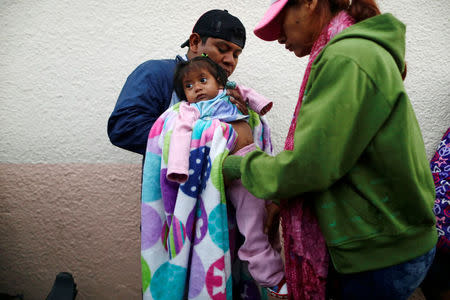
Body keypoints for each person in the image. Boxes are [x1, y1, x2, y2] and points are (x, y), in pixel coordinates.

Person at [222, 0, 438, 299]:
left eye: (280, 21)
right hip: (389, 242)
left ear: (310, 3)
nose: (278, 36)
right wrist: (278, 198)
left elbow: (310, 167)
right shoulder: (355, 51)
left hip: (376, 254)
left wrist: (236, 165)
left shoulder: (346, 57)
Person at [168, 56, 286, 298]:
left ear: (219, 82)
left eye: (202, 80)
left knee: (273, 218)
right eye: (189, 86)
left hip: (255, 160)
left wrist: (260, 105)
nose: (197, 88)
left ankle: (281, 267)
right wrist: (179, 167)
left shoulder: (230, 93)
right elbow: (180, 134)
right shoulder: (190, 110)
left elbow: (248, 94)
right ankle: (271, 277)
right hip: (236, 172)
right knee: (253, 226)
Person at [107, 9, 248, 155]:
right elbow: (123, 128)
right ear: (194, 43)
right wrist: (210, 137)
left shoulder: (225, 90)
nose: (230, 60)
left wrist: (240, 117)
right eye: (222, 48)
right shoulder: (156, 73)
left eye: (236, 55)